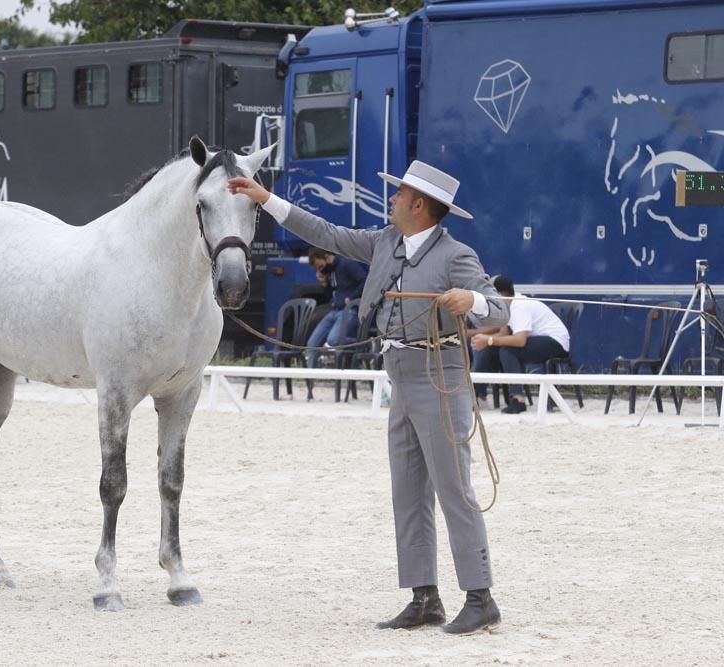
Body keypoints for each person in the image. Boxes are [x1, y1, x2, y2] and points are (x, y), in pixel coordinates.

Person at [229, 160, 509, 635]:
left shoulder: (455, 255)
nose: (393, 199)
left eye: (400, 194)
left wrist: (472, 301)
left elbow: (498, 309)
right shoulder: (385, 242)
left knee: (453, 490)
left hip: (440, 378)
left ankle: (481, 597)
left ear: (419, 205)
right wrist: (264, 199)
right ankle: (425, 597)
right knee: (408, 491)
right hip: (399, 375)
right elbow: (325, 232)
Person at [470, 275, 570, 414]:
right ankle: (476, 395)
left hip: (555, 343)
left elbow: (520, 340)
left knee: (507, 350)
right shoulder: (507, 306)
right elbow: (504, 334)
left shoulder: (519, 306)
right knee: (490, 349)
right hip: (538, 341)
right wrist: (485, 340)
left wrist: (489, 339)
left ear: (500, 294)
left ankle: (518, 399)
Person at [304, 247, 368, 367]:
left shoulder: (346, 263)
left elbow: (364, 280)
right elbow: (330, 294)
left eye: (320, 266)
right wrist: (324, 284)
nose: (319, 270)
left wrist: (352, 297)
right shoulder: (329, 271)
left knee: (334, 340)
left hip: (349, 310)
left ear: (326, 257)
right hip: (334, 310)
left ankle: (364, 343)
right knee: (312, 343)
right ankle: (311, 378)